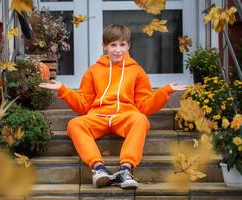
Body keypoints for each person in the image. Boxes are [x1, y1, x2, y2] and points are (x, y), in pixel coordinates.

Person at [39, 24, 187, 189]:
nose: (118, 50)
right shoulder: (93, 71)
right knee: (74, 124)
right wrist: (62, 90)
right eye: (113, 45)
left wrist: (165, 91)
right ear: (104, 46)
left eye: (122, 45)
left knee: (141, 119)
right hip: (98, 117)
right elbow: (83, 105)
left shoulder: (137, 71)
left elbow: (144, 106)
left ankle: (125, 170)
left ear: (128, 46)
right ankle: (99, 170)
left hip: (125, 116)